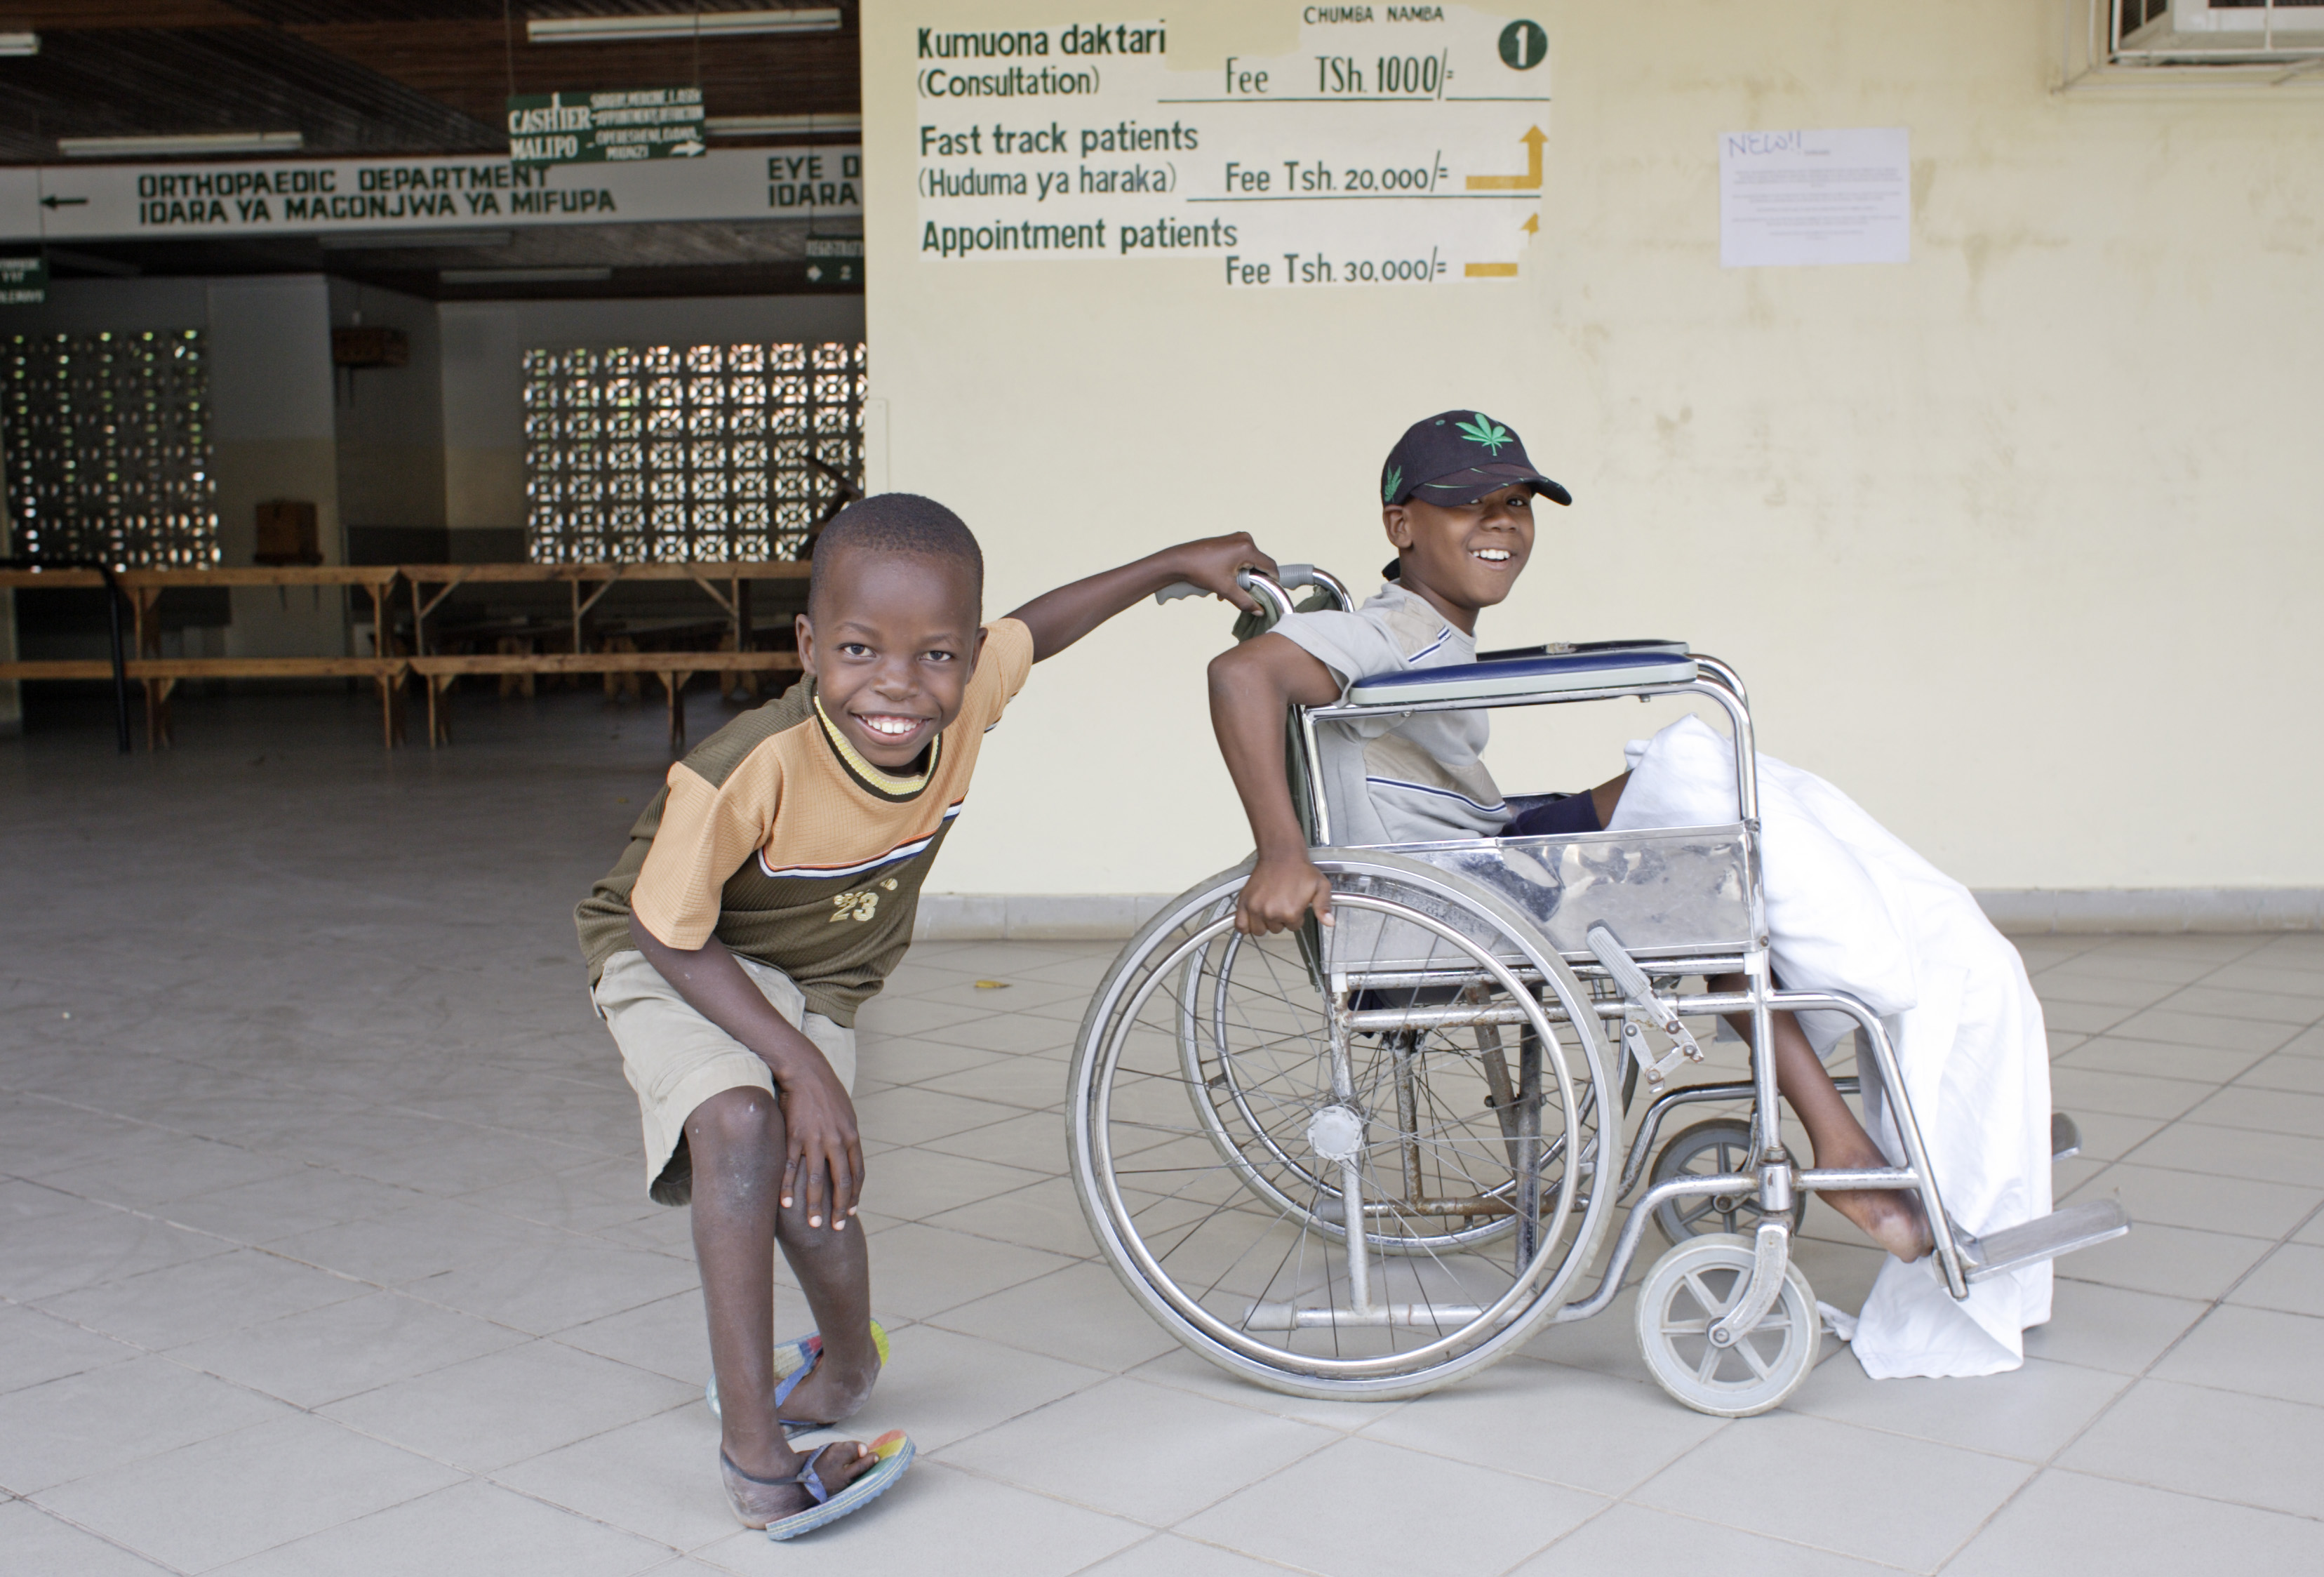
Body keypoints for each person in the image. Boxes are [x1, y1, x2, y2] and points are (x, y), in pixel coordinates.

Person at [575, 495, 1274, 1536]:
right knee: (743, 1122)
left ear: (968, 655)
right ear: (809, 645)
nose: (898, 683)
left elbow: (1048, 622)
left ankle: (850, 1358)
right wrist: (800, 1069)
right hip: (681, 950)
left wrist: (1176, 561)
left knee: (816, 1187)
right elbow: (669, 932)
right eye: (859, 648)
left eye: (936, 654)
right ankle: (756, 1454)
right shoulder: (741, 770)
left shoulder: (971, 697)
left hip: (813, 982)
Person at [1206, 411, 1935, 1263]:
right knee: (1694, 847)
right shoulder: (1386, 633)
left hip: (1475, 844)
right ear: (1401, 527)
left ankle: (1853, 1019)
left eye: (1516, 501)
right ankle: (1844, 1135)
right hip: (1444, 896)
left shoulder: (1430, 632)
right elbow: (1241, 673)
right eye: (1470, 504)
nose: (1503, 521)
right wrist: (1282, 852)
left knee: (1687, 808)